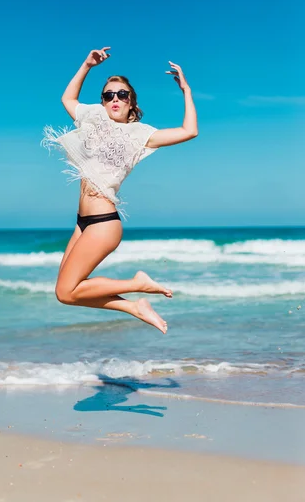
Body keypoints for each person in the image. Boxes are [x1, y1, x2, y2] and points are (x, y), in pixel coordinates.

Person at [42, 47, 198, 333]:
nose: (115, 98)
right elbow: (68, 98)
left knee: (68, 290)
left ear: (131, 105)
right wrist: (87, 65)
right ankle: (133, 305)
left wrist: (186, 90)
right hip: (82, 222)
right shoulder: (92, 119)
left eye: (122, 95)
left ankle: (137, 284)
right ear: (102, 101)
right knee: (65, 293)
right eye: (108, 95)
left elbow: (189, 131)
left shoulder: (140, 135)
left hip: (104, 222)